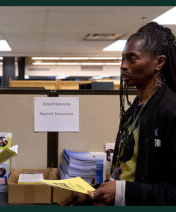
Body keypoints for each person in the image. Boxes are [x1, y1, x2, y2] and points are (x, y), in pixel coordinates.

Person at [60, 22, 176, 206]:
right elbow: (126, 174)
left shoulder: (170, 110)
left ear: (159, 62)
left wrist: (122, 191)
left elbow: (171, 193)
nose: (123, 66)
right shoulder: (134, 111)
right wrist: (94, 192)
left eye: (132, 59)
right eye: (122, 59)